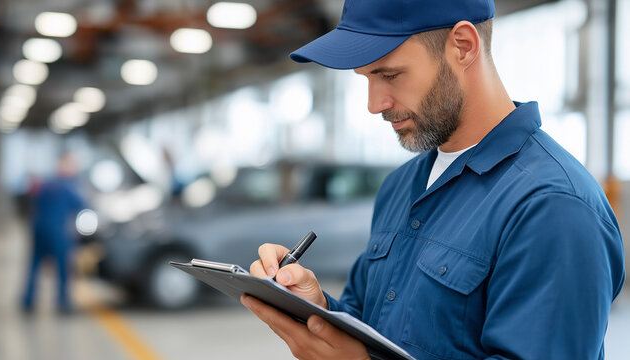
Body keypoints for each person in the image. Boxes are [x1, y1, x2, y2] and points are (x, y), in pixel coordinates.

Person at [240, 0, 626, 359]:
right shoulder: (401, 186)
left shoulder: (553, 207)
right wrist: (318, 309)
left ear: (462, 45)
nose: (375, 104)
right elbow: (369, 322)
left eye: (389, 74)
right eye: (366, 79)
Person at [22, 153, 86, 313]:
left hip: (38, 228)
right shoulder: (69, 185)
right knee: (63, 267)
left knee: (34, 265)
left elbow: (33, 203)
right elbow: (81, 204)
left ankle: (28, 301)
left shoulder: (45, 183)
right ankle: (63, 303)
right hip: (57, 231)